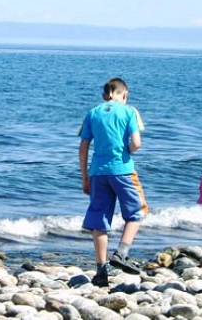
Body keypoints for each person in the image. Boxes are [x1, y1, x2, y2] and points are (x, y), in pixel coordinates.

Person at [79, 78, 147, 287]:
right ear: (125, 94)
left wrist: (85, 177)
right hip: (123, 170)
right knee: (137, 211)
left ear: (104, 95)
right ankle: (121, 253)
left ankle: (101, 271)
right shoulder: (129, 111)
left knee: (100, 219)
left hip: (97, 172)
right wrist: (127, 150)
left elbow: (83, 148)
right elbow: (136, 144)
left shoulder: (92, 113)